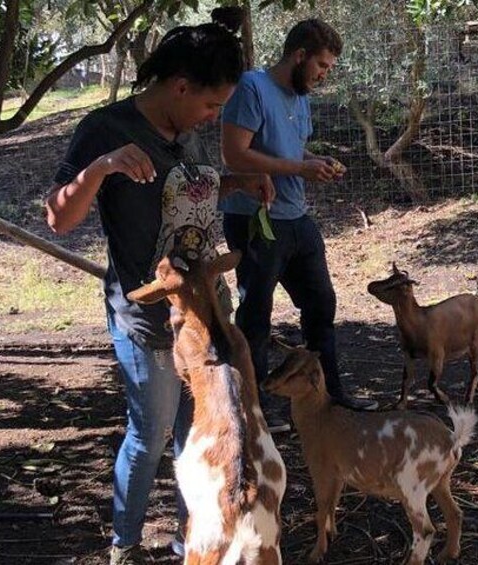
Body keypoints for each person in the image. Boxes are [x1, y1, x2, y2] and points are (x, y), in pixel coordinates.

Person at [45, 10, 274, 565]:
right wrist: (100, 169)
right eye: (211, 104)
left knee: (195, 437)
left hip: (206, 314)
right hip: (147, 317)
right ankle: (124, 546)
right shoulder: (107, 129)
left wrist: (239, 182)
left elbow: (190, 194)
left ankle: (188, 540)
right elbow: (58, 218)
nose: (213, 116)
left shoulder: (188, 131)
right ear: (179, 86)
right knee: (149, 437)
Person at [220, 18, 377, 432]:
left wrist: (316, 163)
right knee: (255, 316)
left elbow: (293, 152)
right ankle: (255, 413)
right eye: (322, 66)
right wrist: (300, 167)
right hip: (256, 219)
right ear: (299, 55)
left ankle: (332, 397)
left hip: (296, 217)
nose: (324, 75)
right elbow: (234, 156)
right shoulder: (252, 88)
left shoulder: (300, 98)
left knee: (321, 306)